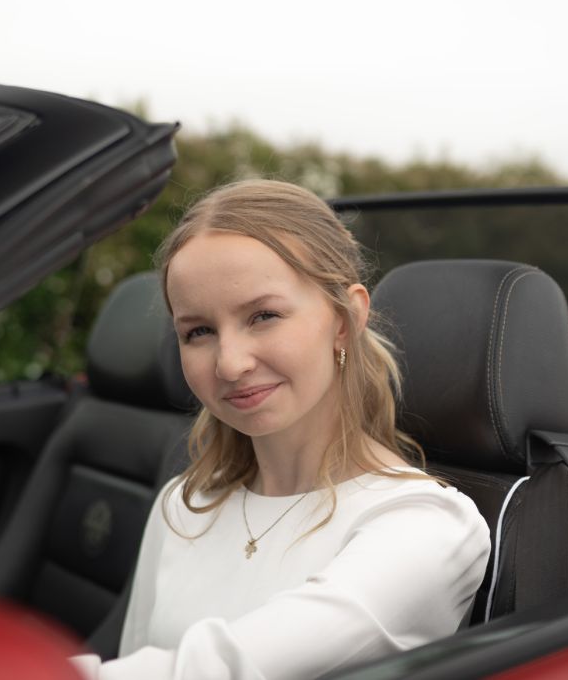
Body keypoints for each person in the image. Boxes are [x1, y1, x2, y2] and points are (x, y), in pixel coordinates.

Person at [71, 180, 490, 680]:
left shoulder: (426, 528)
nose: (229, 363)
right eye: (198, 332)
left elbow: (222, 671)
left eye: (264, 316)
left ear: (345, 320)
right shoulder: (183, 503)